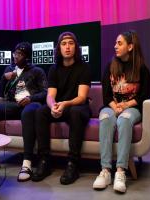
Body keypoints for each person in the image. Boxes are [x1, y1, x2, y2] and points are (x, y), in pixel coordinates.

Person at [0, 42, 47, 182]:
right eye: (15, 54)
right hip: (13, 104)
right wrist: (4, 78)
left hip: (31, 104)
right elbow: (1, 93)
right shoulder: (9, 69)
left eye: (20, 54)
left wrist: (30, 98)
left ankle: (27, 162)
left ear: (27, 57)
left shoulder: (37, 71)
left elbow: (45, 92)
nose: (16, 57)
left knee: (27, 113)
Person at [92, 30, 150, 193]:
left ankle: (120, 171)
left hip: (132, 108)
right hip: (112, 106)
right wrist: (115, 107)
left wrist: (124, 106)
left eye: (120, 43)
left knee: (124, 120)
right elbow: (106, 95)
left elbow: (144, 95)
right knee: (105, 118)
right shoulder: (110, 66)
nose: (115, 46)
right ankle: (105, 171)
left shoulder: (141, 69)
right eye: (115, 43)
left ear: (130, 46)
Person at [31, 32, 91, 185]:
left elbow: (82, 97)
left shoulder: (83, 67)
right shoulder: (54, 68)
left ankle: (73, 163)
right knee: (41, 111)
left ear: (75, 47)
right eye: (64, 44)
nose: (67, 47)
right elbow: (50, 95)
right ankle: (44, 160)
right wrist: (52, 106)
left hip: (77, 106)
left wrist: (64, 104)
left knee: (76, 112)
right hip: (61, 107)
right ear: (59, 48)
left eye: (71, 43)